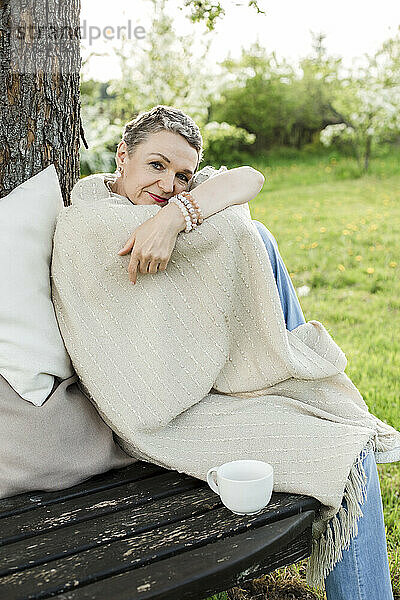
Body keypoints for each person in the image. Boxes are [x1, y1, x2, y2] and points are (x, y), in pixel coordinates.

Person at [76, 105, 395, 599]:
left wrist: (174, 218)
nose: (167, 185)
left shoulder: (170, 212)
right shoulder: (91, 222)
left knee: (347, 452)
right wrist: (182, 218)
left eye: (183, 176)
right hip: (161, 411)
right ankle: (294, 368)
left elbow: (250, 176)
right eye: (155, 165)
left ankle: (293, 371)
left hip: (211, 377)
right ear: (122, 155)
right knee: (346, 456)